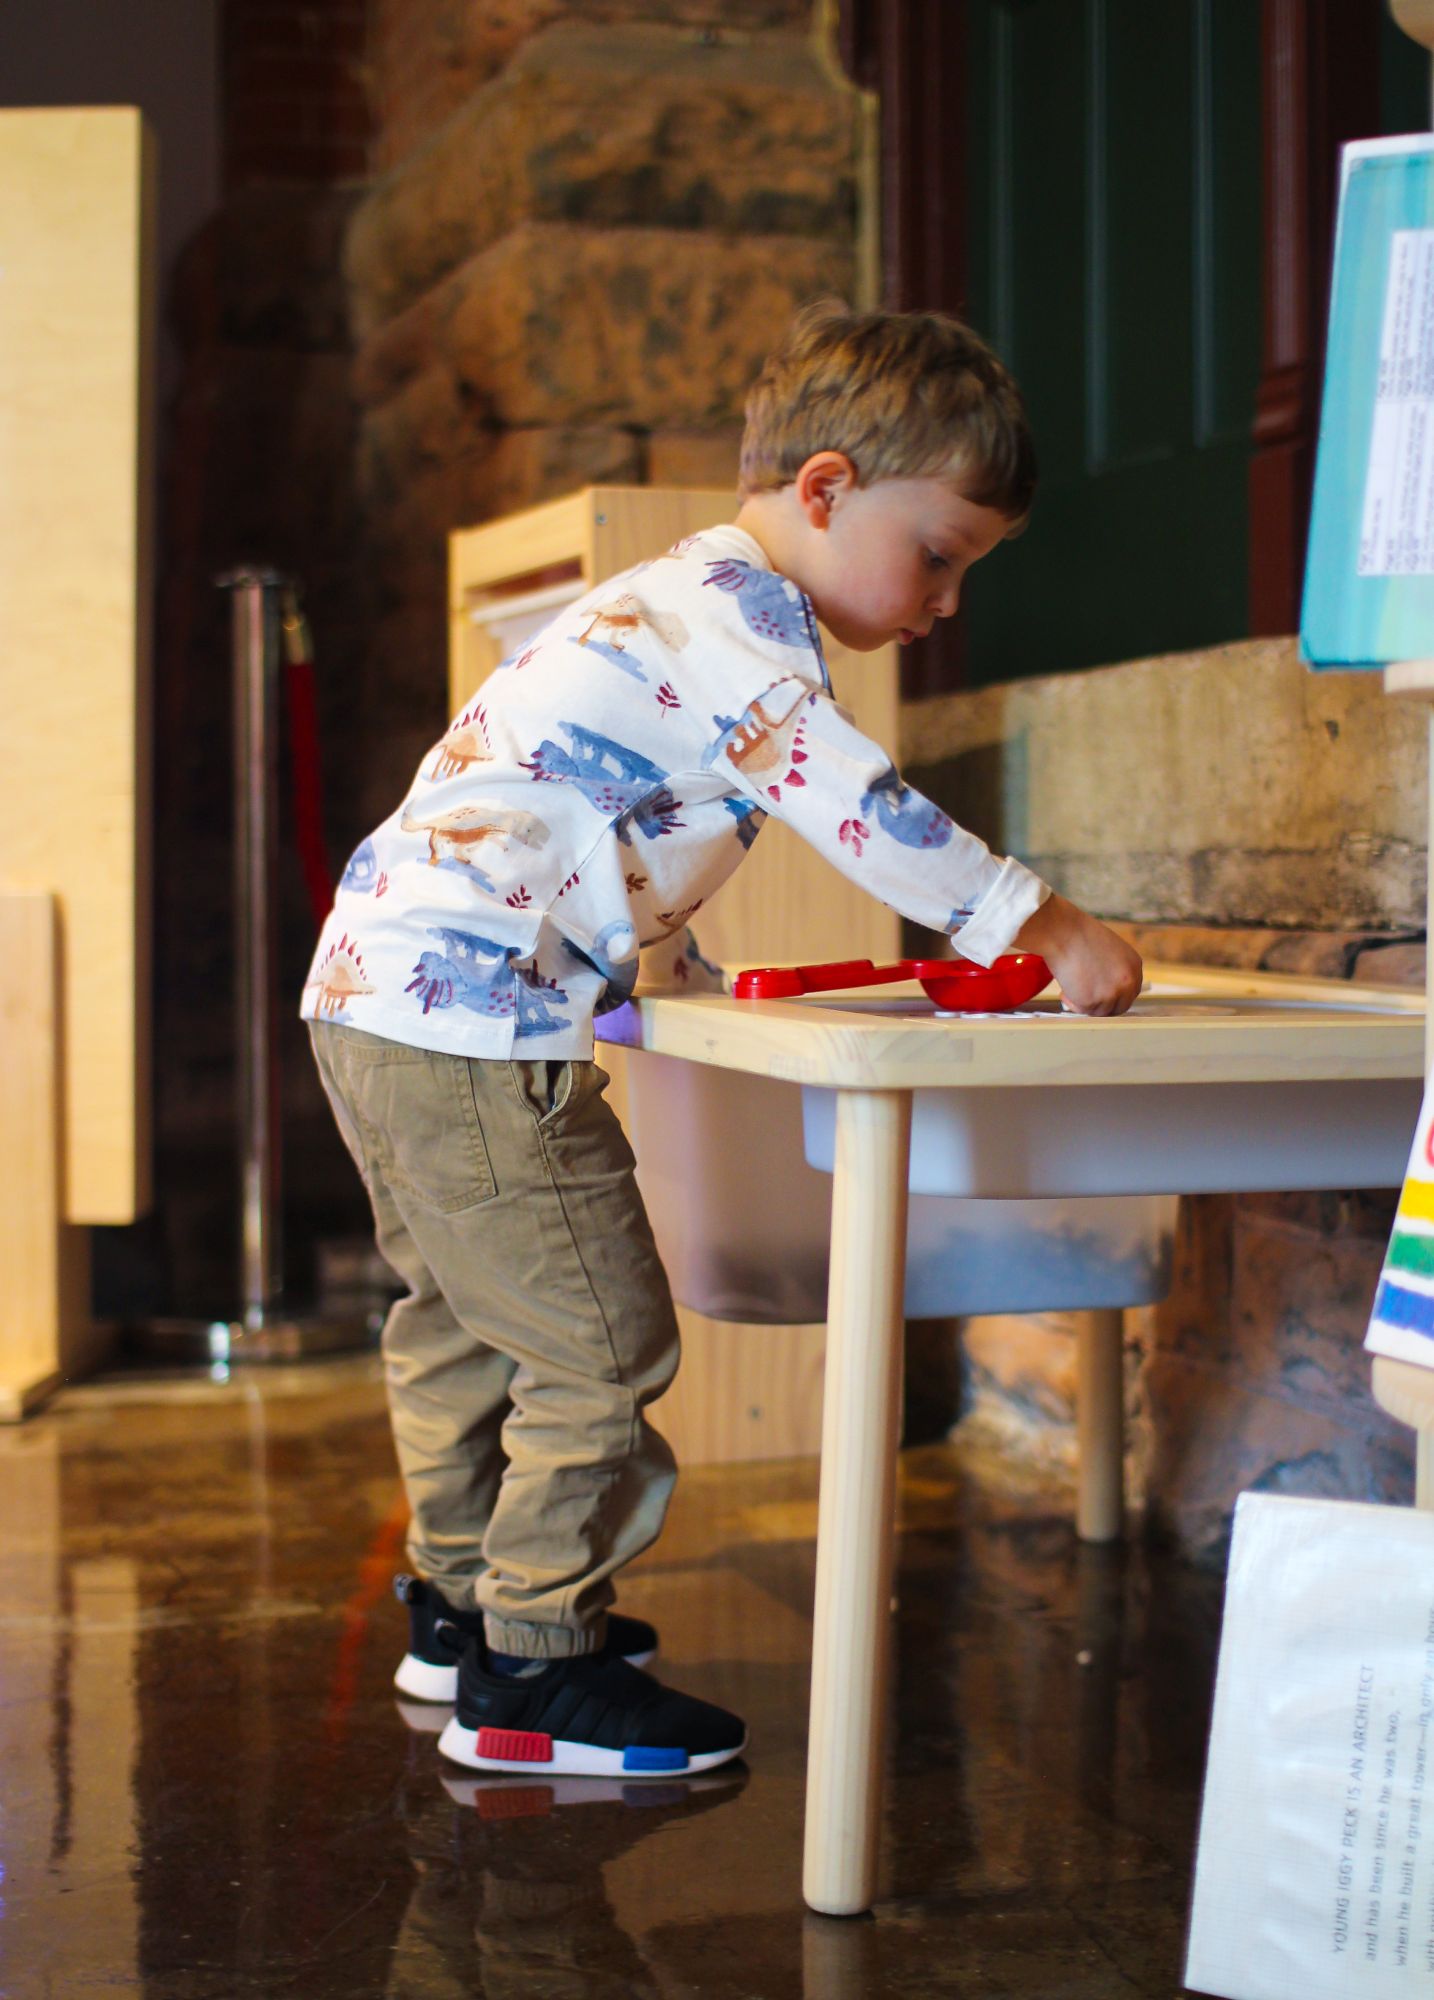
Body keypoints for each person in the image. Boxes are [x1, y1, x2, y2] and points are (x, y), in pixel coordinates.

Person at [301, 301, 1143, 1782]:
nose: (943, 600)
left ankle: (460, 1609)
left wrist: (674, 964)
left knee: (468, 1323)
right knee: (599, 1341)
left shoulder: (668, 608)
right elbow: (853, 804)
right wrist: (1037, 922)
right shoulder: (740, 626)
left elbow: (592, 815)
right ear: (822, 492)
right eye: (935, 555)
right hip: (470, 1022)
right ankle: (535, 1672)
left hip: (381, 997)